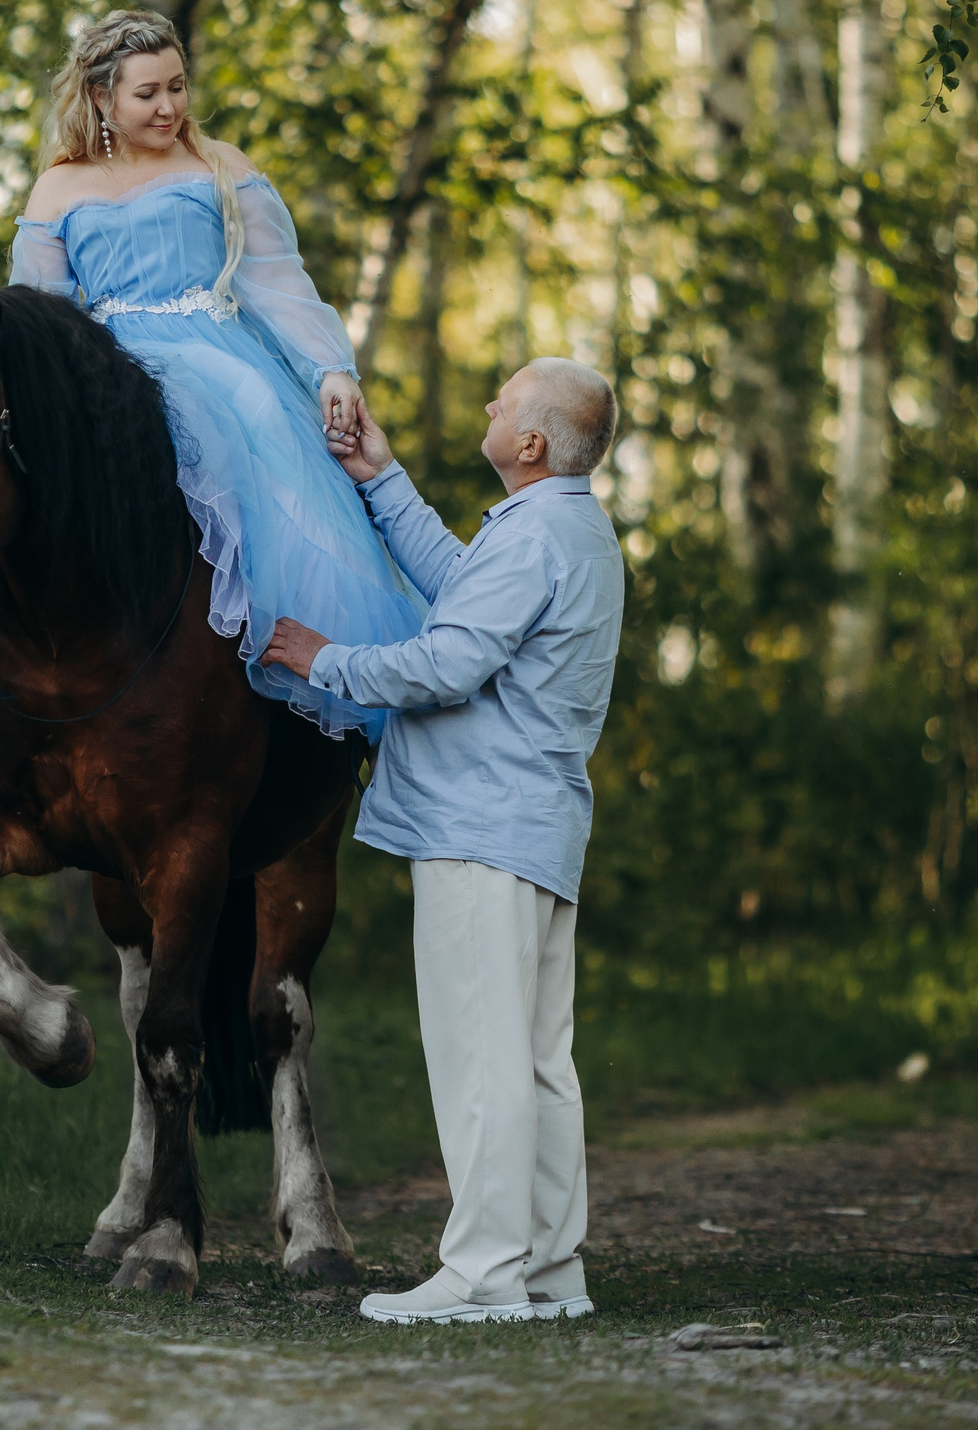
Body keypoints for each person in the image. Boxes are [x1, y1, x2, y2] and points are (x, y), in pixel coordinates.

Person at [261, 359, 625, 1325]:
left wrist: (322, 657)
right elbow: (468, 592)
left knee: (482, 1057)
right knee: (542, 1060)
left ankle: (482, 1274)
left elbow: (451, 659)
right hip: (534, 825)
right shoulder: (569, 530)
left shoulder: (535, 535)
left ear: (534, 444)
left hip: (479, 824)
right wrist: (382, 479)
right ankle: (550, 1269)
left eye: (503, 402)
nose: (490, 408)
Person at [9, 10, 424, 738]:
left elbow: (277, 279)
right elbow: (40, 319)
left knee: (259, 419)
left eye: (177, 86)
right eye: (147, 94)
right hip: (110, 370)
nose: (168, 106)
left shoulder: (220, 165)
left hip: (219, 358)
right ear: (102, 98)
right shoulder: (58, 189)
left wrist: (331, 369)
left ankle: (291, 659)